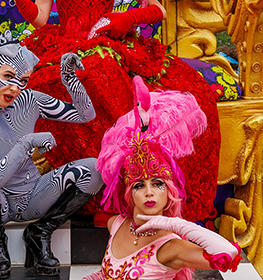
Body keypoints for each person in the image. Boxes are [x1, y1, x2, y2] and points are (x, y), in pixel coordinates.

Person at [4, 0, 221, 223]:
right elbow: (41, 19)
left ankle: (130, 185)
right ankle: (99, 189)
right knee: (88, 76)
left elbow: (155, 10)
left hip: (111, 43)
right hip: (68, 42)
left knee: (171, 84)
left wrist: (123, 20)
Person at [0, 44, 102, 278]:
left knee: (95, 168)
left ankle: (40, 232)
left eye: (22, 80)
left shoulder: (29, 100)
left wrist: (70, 79)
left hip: (34, 195)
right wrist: (27, 142)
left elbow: (85, 115)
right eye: (8, 77)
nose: (15, 87)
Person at [87, 76, 240, 280]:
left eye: (157, 184)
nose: (149, 192)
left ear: (169, 190)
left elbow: (228, 254)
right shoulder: (116, 223)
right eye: (139, 185)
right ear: (128, 193)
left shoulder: (171, 247)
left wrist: (173, 224)